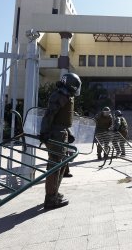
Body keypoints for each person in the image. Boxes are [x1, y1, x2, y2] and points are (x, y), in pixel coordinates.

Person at [40, 72, 82, 210]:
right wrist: (45, 132)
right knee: (55, 166)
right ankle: (51, 198)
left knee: (61, 164)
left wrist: (67, 132)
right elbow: (49, 115)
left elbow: (60, 119)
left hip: (60, 133)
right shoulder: (60, 96)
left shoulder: (65, 96)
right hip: (56, 134)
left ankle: (54, 194)